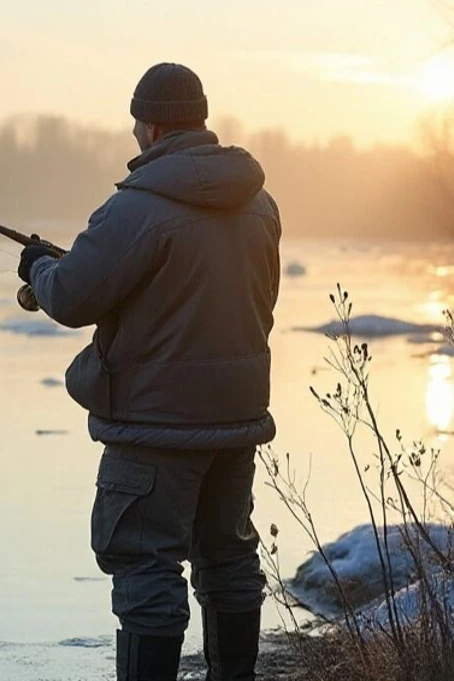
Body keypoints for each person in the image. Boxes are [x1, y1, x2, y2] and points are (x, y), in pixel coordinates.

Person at [18, 63, 281, 681]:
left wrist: (37, 268)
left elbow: (72, 299)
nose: (135, 132)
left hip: (153, 427)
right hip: (235, 420)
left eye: (138, 120)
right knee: (228, 559)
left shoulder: (134, 210)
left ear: (152, 125)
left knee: (144, 566)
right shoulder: (260, 204)